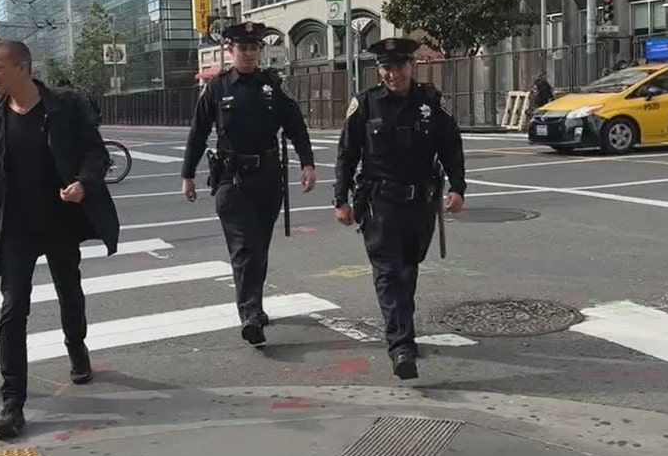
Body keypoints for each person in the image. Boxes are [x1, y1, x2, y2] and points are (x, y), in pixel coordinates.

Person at [0, 40, 121, 440]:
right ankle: (12, 403)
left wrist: (83, 184)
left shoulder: (65, 107)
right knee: (12, 309)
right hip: (16, 228)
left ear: (21, 68)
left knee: (68, 291)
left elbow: (96, 154)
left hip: (59, 221)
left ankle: (77, 348)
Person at [332, 37, 466, 380]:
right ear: (379, 71)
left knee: (408, 270)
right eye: (387, 67)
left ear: (413, 66)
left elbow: (451, 146)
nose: (394, 74)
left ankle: (402, 329)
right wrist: (341, 198)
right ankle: (401, 347)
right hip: (380, 203)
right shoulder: (365, 104)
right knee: (388, 274)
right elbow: (347, 154)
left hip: (420, 204)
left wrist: (458, 188)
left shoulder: (431, 102)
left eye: (400, 66)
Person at [180, 21, 316, 346]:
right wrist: (187, 174)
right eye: (243, 48)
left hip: (268, 178)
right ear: (230, 51)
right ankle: (250, 314)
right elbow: (198, 133)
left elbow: (295, 125)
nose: (250, 53)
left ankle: (254, 303)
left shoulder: (272, 86)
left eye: (254, 47)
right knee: (244, 248)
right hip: (232, 179)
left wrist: (307, 163)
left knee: (260, 246)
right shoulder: (217, 88)